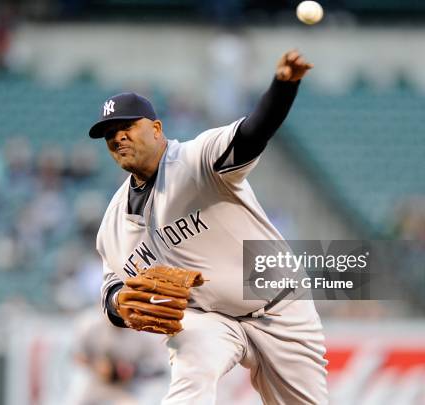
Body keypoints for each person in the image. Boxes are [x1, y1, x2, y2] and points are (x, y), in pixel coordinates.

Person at [88, 49, 328, 404]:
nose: (118, 137)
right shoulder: (113, 224)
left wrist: (283, 88)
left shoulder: (195, 160)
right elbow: (111, 290)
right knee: (192, 368)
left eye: (127, 127)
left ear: (156, 129)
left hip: (280, 308)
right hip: (208, 318)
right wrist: (119, 303)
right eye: (110, 134)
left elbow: (252, 133)